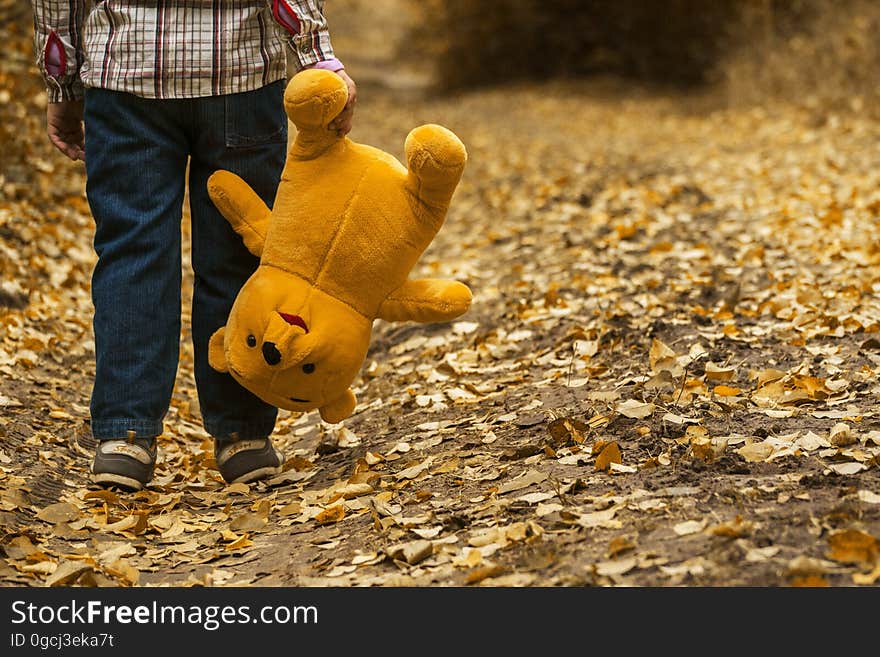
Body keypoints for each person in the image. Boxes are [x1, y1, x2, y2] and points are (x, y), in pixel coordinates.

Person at [30, 0, 357, 491]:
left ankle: (127, 438)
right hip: (239, 71)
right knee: (238, 249)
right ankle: (242, 437)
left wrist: (63, 81)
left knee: (132, 251)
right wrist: (318, 56)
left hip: (126, 73)